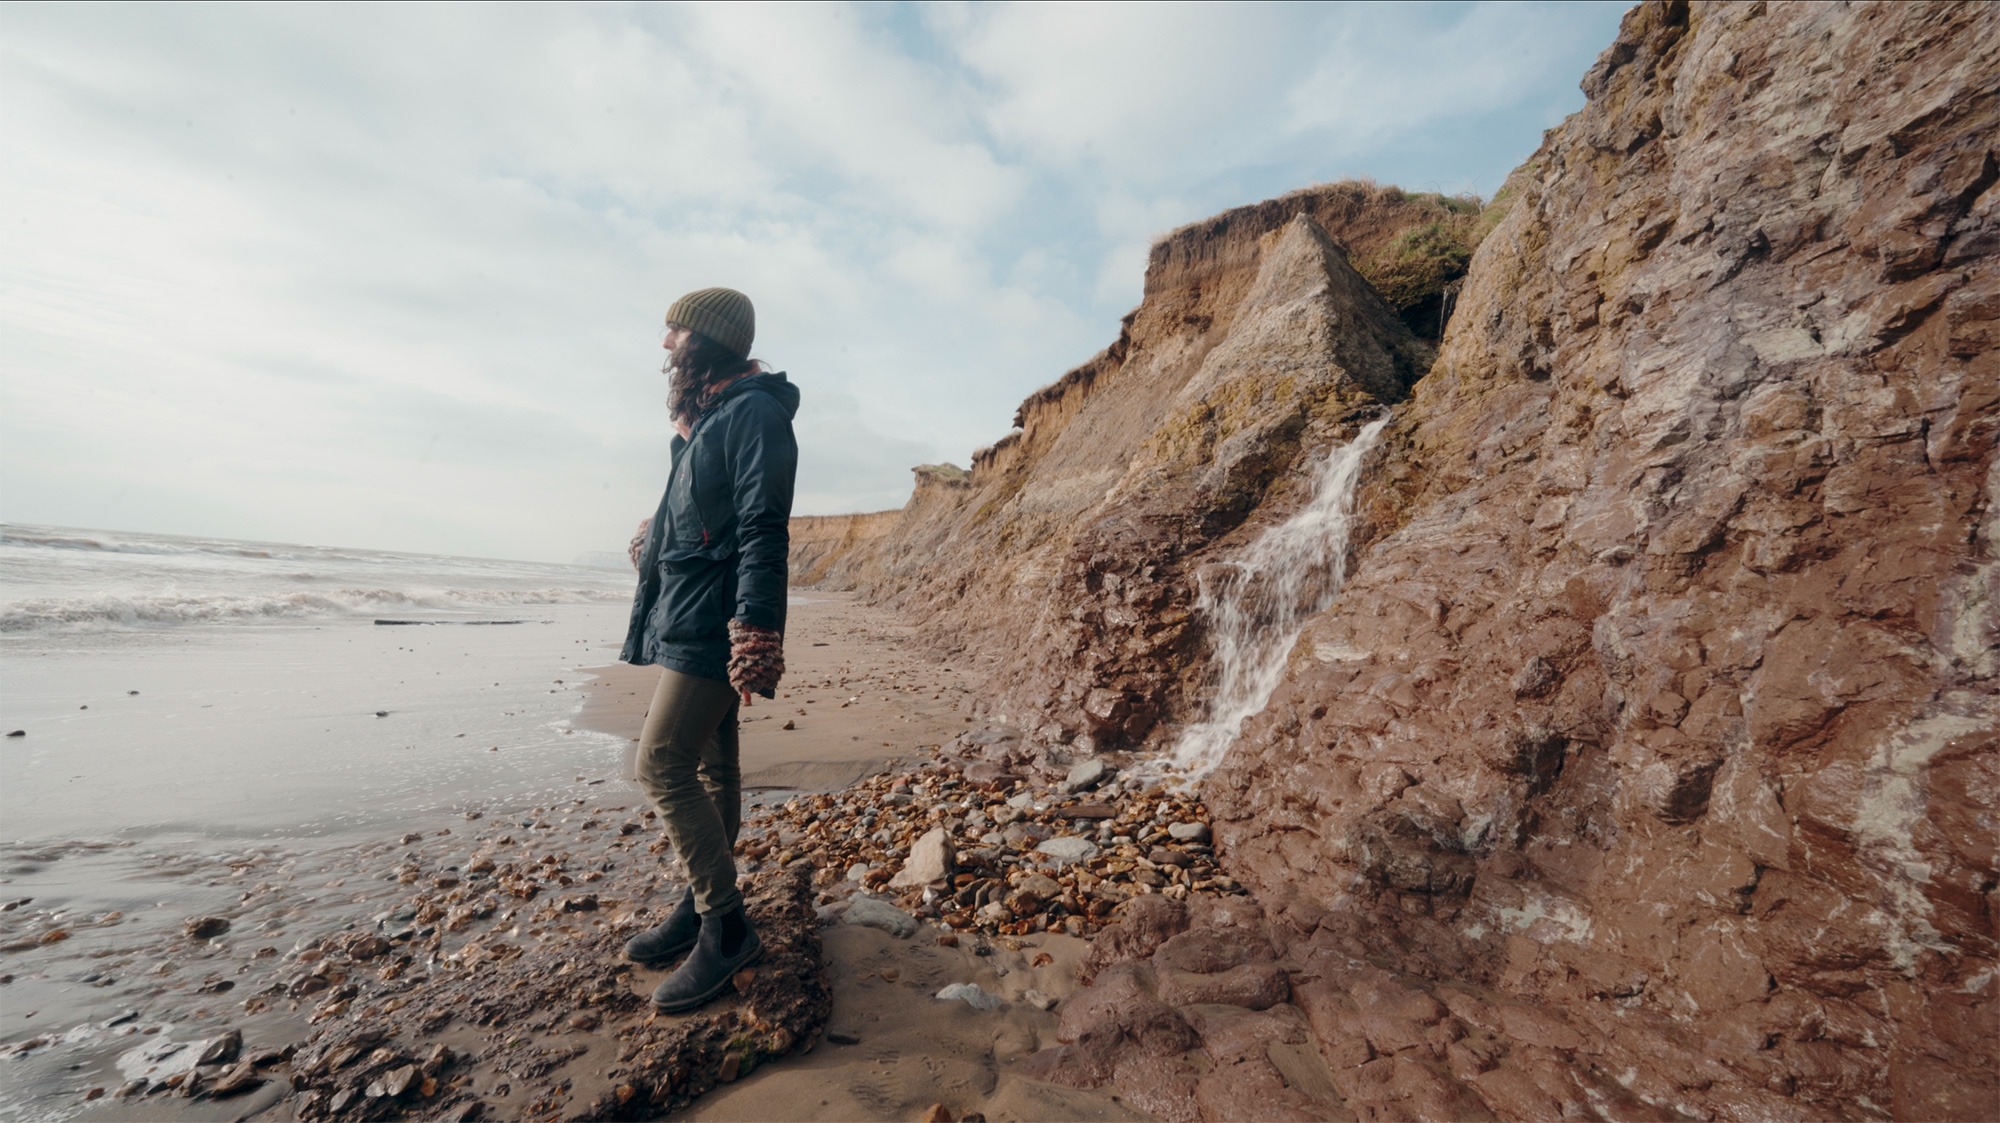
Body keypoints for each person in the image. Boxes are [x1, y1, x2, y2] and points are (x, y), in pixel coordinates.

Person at [618, 286, 798, 1013]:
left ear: (707, 340)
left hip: (717, 622)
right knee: (714, 767)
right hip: (692, 614)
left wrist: (755, 629)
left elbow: (762, 526)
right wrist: (653, 533)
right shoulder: (706, 419)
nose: (665, 344)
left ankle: (727, 930)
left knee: (659, 762)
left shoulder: (753, 414)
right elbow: (705, 514)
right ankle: (702, 905)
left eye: (675, 330)